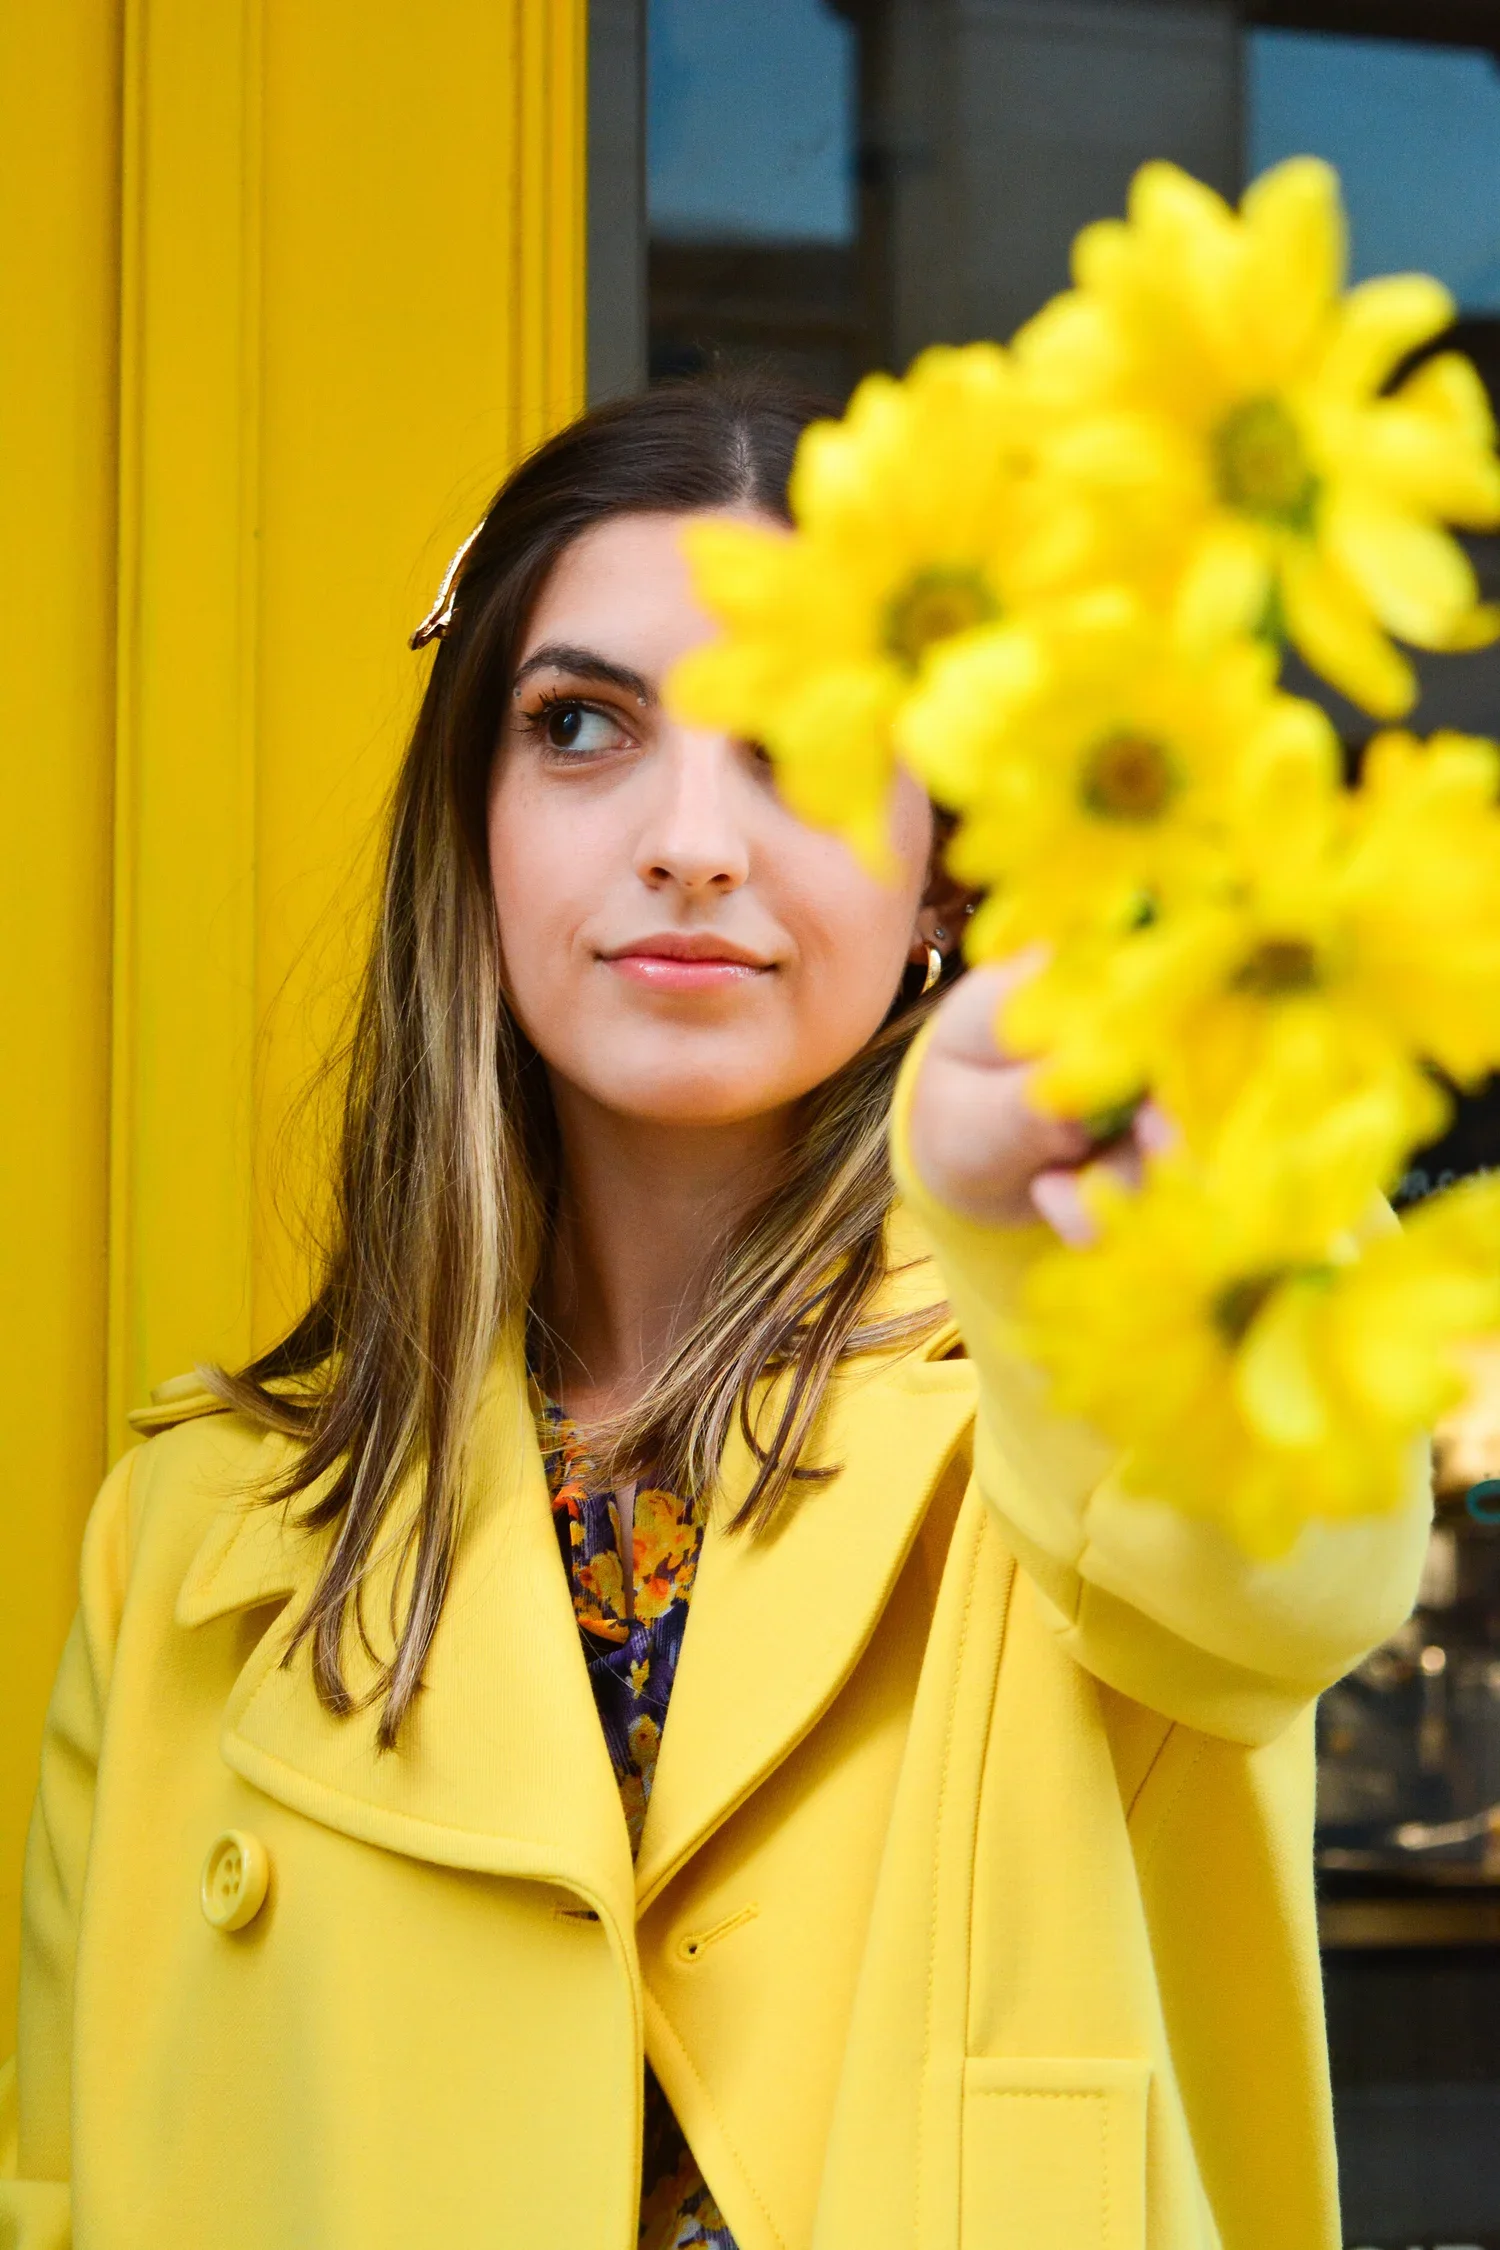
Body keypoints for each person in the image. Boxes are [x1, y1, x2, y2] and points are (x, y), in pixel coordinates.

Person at [0, 378, 1430, 2250]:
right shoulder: (195, 1539)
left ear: (944, 868)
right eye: (582, 726)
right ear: (478, 827)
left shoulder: (1070, 1384)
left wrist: (1091, 1210)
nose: (690, 841)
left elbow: (1294, 1571)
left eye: (808, 744)